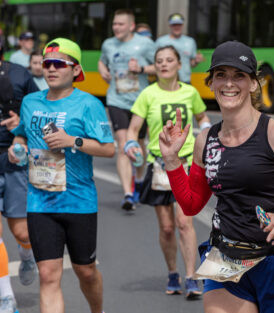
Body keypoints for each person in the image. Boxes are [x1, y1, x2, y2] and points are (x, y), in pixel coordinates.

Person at [158, 41, 274, 313]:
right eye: (221, 75)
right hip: (227, 260)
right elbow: (192, 205)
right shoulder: (205, 140)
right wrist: (172, 162)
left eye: (239, 76)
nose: (229, 83)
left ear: (254, 84)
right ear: (210, 83)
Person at [8, 37, 115, 313]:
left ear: (75, 70)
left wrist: (73, 141)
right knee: (48, 275)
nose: (51, 69)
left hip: (79, 201)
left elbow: (108, 149)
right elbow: (21, 136)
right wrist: (17, 149)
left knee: (86, 271)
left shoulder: (89, 104)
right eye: (46, 63)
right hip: (40, 202)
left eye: (58, 63)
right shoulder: (30, 102)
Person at [125, 45, 210, 299]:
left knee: (185, 222)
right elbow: (134, 128)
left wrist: (207, 133)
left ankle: (192, 276)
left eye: (169, 60)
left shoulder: (190, 92)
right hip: (159, 165)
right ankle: (173, 272)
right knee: (167, 228)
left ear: (179, 64)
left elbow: (203, 118)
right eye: (159, 61)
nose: (163, 64)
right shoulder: (147, 94)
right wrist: (130, 144)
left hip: (185, 163)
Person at [98, 9, 157, 211]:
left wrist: (141, 69)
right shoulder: (108, 44)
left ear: (131, 26)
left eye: (120, 24)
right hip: (116, 99)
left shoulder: (146, 45)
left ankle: (139, 179)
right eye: (114, 24)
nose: (116, 28)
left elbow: (159, 67)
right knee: (124, 144)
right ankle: (128, 194)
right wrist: (102, 70)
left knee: (138, 144)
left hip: (140, 101)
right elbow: (101, 60)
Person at [0, 39, 38, 313]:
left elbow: (37, 113)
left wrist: (20, 127)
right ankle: (6, 297)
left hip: (14, 155)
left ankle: (26, 254)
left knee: (21, 231)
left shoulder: (19, 74)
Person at [155, 13, 203, 84]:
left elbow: (190, 64)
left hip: (185, 80)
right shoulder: (160, 41)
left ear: (183, 25)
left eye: (179, 24)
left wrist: (196, 61)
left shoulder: (190, 41)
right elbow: (154, 62)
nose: (176, 27)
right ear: (170, 25)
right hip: (165, 81)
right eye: (174, 25)